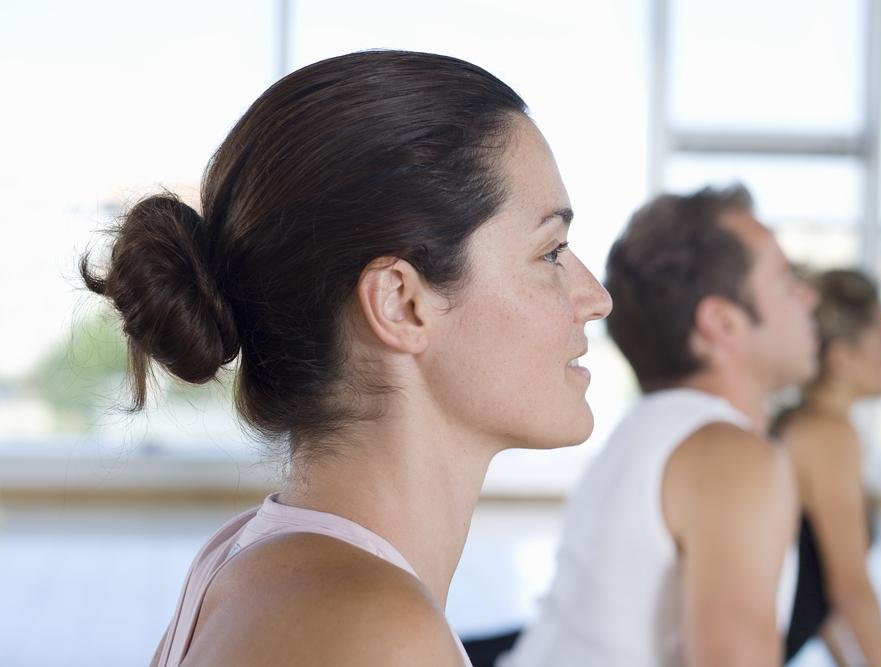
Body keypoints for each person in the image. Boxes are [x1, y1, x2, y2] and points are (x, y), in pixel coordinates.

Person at [80, 50, 612, 667]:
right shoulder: (371, 632)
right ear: (400, 303)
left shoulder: (261, 568)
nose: (594, 297)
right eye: (551, 252)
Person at [501, 185, 818, 667]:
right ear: (723, 323)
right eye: (785, 280)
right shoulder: (732, 457)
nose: (809, 297)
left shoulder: (648, 431)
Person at [777, 269, 881, 666]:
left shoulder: (804, 424)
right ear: (843, 356)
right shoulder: (828, 438)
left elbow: (821, 584)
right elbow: (850, 587)